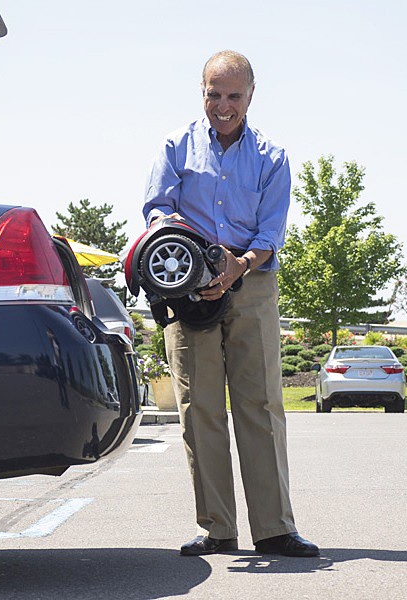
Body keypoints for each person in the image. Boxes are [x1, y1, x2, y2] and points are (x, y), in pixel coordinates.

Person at [142, 50, 319, 558]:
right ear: (202, 92)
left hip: (254, 283)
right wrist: (198, 264)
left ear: (250, 95)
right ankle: (217, 528)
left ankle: (275, 529)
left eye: (233, 96)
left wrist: (237, 266)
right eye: (213, 94)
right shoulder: (175, 148)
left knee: (259, 404)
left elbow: (270, 232)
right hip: (189, 288)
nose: (223, 106)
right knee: (200, 409)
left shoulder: (272, 156)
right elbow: (158, 212)